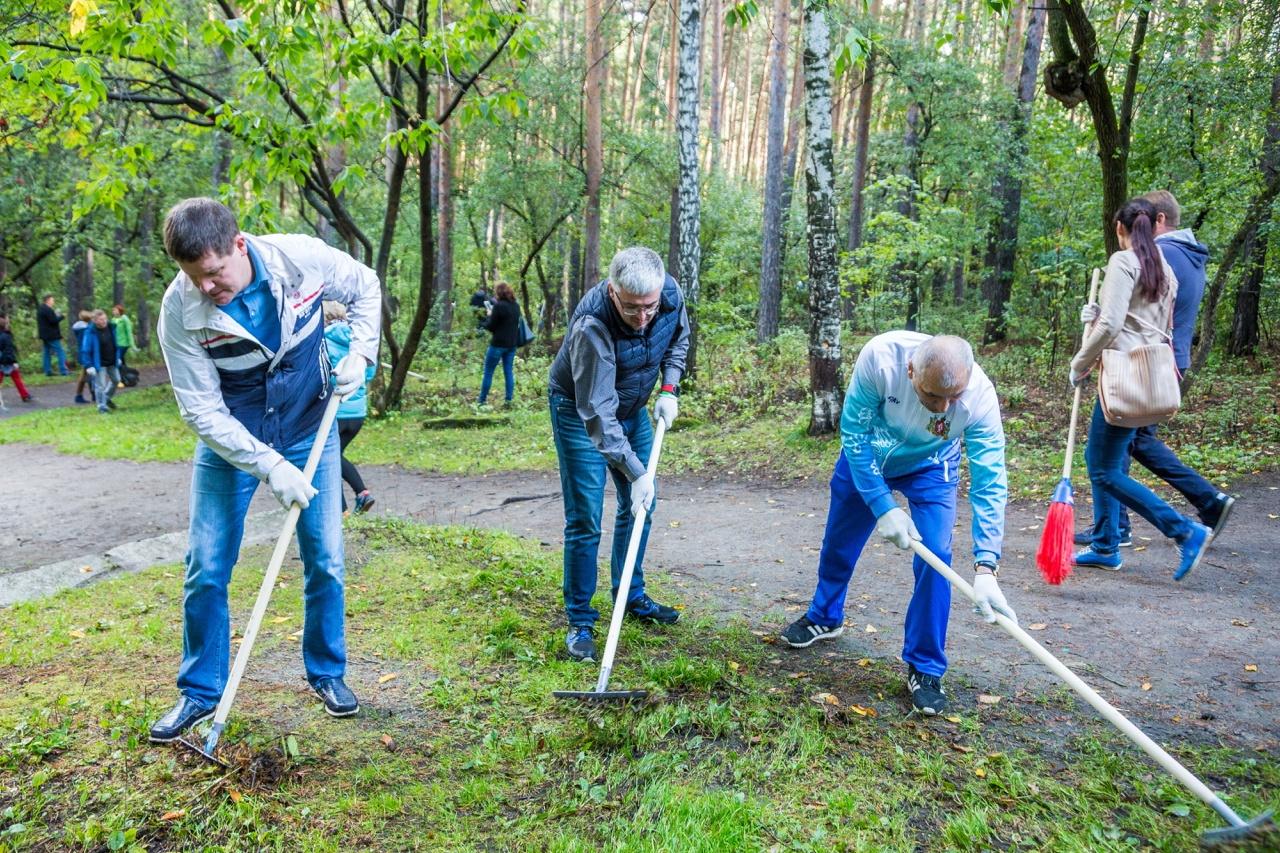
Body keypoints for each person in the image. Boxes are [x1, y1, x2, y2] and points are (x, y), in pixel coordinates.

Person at [148, 197, 380, 744]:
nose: (206, 287)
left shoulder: (300, 260)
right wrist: (271, 466)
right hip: (233, 439)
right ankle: (201, 691)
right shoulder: (180, 311)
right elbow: (201, 410)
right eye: (193, 277)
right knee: (206, 564)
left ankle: (328, 674)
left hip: (309, 426)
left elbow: (365, 285)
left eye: (214, 273)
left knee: (324, 556)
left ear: (238, 245)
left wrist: (361, 354)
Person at [781, 333, 1016, 716]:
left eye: (953, 398)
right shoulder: (880, 358)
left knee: (936, 555)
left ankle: (925, 667)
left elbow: (991, 482)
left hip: (931, 468)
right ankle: (825, 616)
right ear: (910, 372)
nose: (943, 409)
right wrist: (881, 503)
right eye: (933, 397)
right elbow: (854, 433)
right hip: (868, 454)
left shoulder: (980, 399)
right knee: (840, 538)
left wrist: (987, 565)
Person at [1073, 190, 1234, 563]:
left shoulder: (1124, 260)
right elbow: (1148, 323)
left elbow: (1114, 324)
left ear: (1121, 228)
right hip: (1151, 374)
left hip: (1123, 378)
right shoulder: (1165, 267)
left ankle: (1183, 531)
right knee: (1105, 460)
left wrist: (1080, 361)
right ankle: (1107, 544)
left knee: (1104, 467)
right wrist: (1096, 315)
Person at [547, 247, 688, 662]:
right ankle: (580, 622)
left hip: (632, 408)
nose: (643, 316)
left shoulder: (669, 294)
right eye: (631, 308)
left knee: (640, 505)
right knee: (586, 516)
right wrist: (635, 469)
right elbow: (598, 414)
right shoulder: (592, 326)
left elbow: (679, 337)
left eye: (649, 307)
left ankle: (630, 595)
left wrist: (670, 387)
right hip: (581, 412)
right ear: (612, 292)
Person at [323, 300, 377, 515]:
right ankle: (356, 499)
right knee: (334, 456)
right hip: (358, 413)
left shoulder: (323, 341)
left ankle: (350, 503)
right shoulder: (360, 341)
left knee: (329, 458)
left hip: (335, 411)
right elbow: (370, 373)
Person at [478, 281, 520, 407]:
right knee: (508, 372)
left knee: (488, 372)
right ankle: (508, 400)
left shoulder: (499, 306)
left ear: (498, 293)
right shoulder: (516, 306)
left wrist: (487, 318)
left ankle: (481, 400)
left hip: (498, 344)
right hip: (511, 345)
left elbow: (491, 326)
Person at [80, 309, 121, 414]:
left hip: (112, 360)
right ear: (95, 321)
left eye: (105, 319)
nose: (104, 321)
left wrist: (118, 357)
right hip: (99, 363)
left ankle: (106, 398)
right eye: (101, 320)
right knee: (100, 385)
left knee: (116, 380)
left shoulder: (111, 327)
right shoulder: (90, 332)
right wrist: (89, 365)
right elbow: (85, 349)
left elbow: (116, 343)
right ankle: (102, 406)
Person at [0, 316, 34, 402]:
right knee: (17, 378)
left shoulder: (3, 336)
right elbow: (9, 351)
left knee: (15, 378)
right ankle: (25, 395)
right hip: (7, 361)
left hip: (2, 361)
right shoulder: (6, 336)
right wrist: (14, 361)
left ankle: (25, 395)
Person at [36, 294, 69, 376]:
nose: (53, 301)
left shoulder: (41, 309)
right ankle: (63, 370)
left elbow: (49, 320)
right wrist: (62, 316)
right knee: (60, 351)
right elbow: (53, 321)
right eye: (52, 300)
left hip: (45, 335)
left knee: (46, 353)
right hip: (51, 335)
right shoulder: (47, 309)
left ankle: (48, 371)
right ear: (47, 300)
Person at [71, 310, 94, 404]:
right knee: (87, 374)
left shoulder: (77, 328)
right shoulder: (87, 329)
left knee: (86, 374)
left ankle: (82, 395)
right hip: (87, 354)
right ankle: (82, 395)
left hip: (82, 353)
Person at [111, 304, 136, 371]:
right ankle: (126, 375)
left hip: (123, 344)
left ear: (120, 311)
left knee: (117, 359)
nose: (113, 311)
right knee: (121, 360)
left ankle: (120, 376)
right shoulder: (113, 320)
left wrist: (132, 345)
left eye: (115, 310)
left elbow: (129, 332)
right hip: (115, 344)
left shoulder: (124, 319)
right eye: (113, 310)